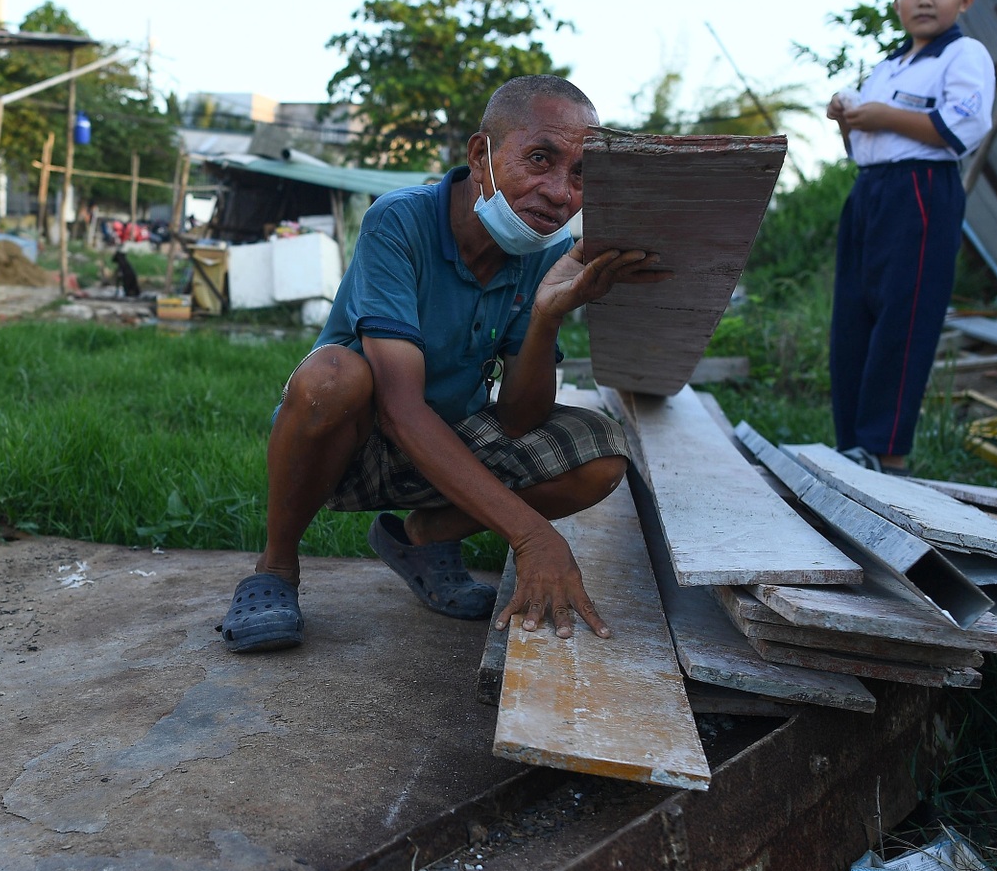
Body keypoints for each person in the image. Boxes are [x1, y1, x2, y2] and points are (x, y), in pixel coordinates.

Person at [217, 75, 671, 653]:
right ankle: (275, 568)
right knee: (331, 378)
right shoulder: (399, 222)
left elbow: (519, 421)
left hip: (453, 437)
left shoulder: (547, 252)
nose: (560, 193)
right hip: (359, 441)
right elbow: (400, 409)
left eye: (580, 174)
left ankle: (424, 538)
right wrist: (533, 537)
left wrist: (547, 315)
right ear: (480, 157)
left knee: (601, 455)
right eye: (540, 159)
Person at [826, 0, 996, 475]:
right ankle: (852, 442)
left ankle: (888, 449)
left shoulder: (964, 55)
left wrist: (880, 117)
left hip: (921, 190)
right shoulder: (889, 67)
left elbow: (959, 129)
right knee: (855, 313)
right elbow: (866, 146)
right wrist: (847, 120)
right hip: (870, 191)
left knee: (904, 314)